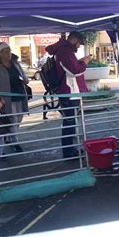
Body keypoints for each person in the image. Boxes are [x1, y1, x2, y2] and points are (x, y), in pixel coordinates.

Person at [45, 31, 92, 159]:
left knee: (69, 122)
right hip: (69, 92)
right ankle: (68, 152)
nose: (78, 47)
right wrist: (85, 62)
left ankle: (70, 149)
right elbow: (74, 70)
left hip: (68, 91)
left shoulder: (62, 50)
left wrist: (80, 62)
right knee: (69, 122)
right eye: (79, 44)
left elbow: (70, 68)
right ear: (74, 40)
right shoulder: (65, 51)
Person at [0, 42, 29, 153]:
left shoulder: (15, 63)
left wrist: (25, 79)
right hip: (5, 99)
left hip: (19, 95)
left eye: (9, 50)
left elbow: (22, 74)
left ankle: (10, 137)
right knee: (11, 120)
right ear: (0, 54)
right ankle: (14, 141)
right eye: (5, 52)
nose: (8, 53)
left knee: (18, 118)